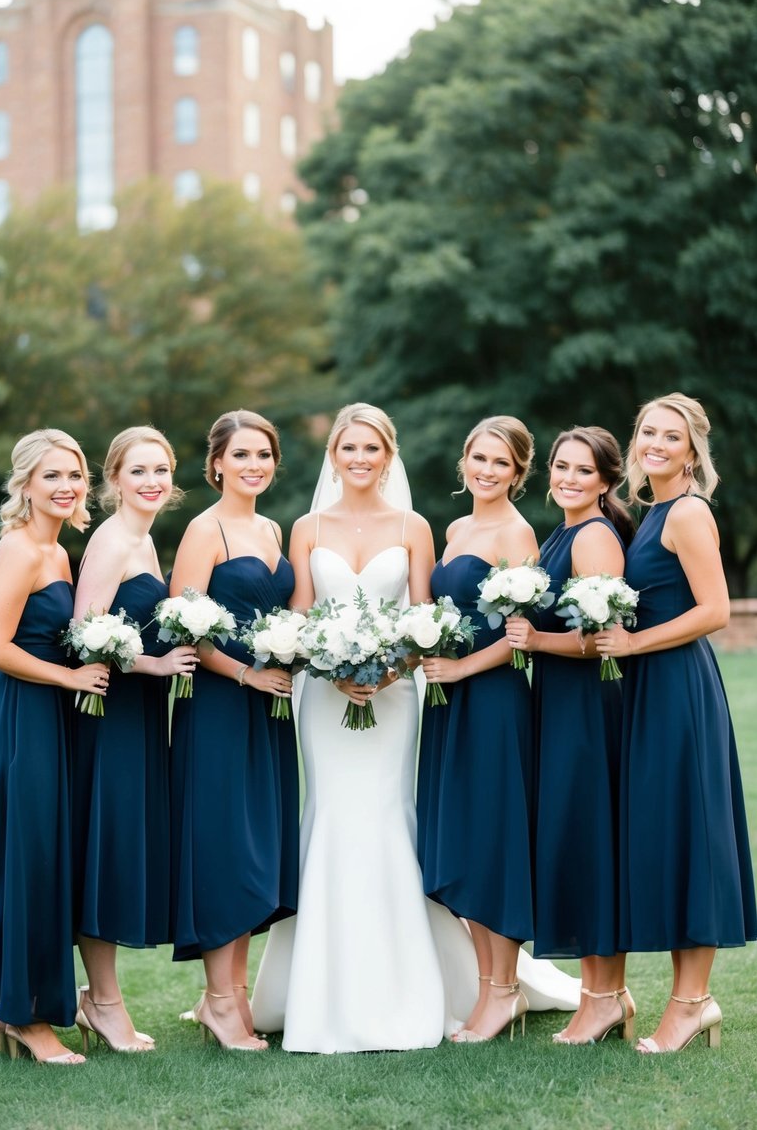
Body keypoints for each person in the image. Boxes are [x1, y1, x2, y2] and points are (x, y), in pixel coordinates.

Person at [252, 404, 578, 1052]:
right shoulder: (306, 526)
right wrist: (326, 662)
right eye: (348, 447)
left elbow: (430, 618)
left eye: (371, 448)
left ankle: (421, 989)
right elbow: (298, 612)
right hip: (324, 699)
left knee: (386, 820)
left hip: (398, 695)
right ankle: (319, 993)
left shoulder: (418, 526)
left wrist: (392, 664)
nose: (359, 458)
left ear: (388, 454)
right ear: (333, 454)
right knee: (332, 819)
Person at [0, 429, 108, 1064]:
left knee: (41, 860)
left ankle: (21, 1010)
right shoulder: (20, 549)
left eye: (76, 475)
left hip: (48, 720)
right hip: (15, 722)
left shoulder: (59, 553)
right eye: (52, 476)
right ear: (25, 485)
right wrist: (71, 676)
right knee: (27, 862)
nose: (67, 486)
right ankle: (28, 1019)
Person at [595, 393, 756, 1053]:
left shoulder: (686, 513)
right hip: (649, 689)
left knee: (690, 830)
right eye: (646, 433)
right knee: (666, 831)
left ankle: (691, 1003)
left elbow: (716, 610)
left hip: (677, 686)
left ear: (692, 451)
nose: (655, 444)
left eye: (671, 436)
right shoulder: (649, 511)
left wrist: (633, 644)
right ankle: (690, 1000)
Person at [417, 415, 579, 1043]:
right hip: (447, 702)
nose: (486, 470)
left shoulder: (517, 535)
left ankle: (503, 991)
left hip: (491, 701)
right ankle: (490, 990)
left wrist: (458, 668)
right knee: (461, 838)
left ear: (518, 473)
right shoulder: (455, 528)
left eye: (500, 462)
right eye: (477, 458)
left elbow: (520, 642)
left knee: (493, 841)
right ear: (464, 462)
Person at [169, 410, 298, 1052]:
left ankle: (230, 995)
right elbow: (184, 624)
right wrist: (249, 675)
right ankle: (222, 1003)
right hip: (221, 707)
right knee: (226, 844)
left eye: (264, 455)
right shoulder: (204, 529)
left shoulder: (272, 527)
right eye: (241, 455)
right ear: (217, 462)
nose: (254, 466)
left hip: (268, 708)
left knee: (258, 847)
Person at [505, 426, 636, 1045]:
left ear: (606, 481)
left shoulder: (592, 537)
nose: (568, 479)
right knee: (579, 840)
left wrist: (536, 640)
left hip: (588, 709)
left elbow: (602, 640)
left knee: (590, 841)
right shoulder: (562, 531)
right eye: (561, 467)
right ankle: (606, 992)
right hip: (558, 703)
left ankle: (602, 1000)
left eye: (584, 471)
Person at [70, 426, 198, 1053]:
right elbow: (85, 634)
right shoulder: (113, 540)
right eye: (139, 471)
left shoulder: (145, 541)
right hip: (110, 717)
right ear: (114, 479)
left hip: (142, 716)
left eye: (161, 470)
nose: (152, 481)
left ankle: (99, 999)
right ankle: (104, 1004)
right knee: (108, 850)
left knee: (122, 850)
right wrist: (154, 664)